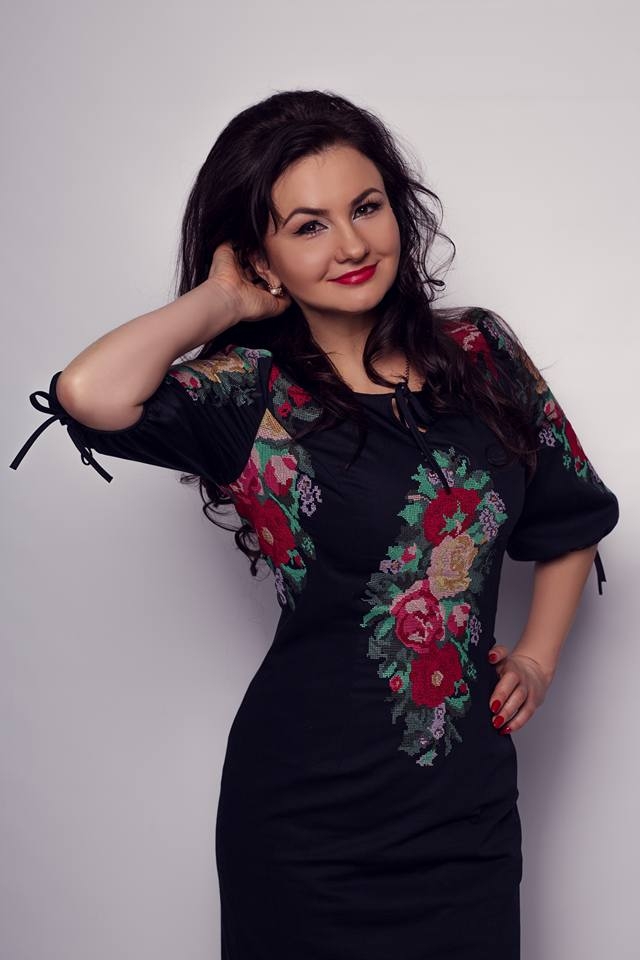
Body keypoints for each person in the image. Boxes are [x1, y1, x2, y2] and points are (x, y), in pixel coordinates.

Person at [9, 90, 620, 959]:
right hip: (304, 826)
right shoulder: (247, 393)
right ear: (263, 255)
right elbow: (88, 394)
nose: (352, 245)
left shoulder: (482, 356)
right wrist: (223, 299)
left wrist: (538, 657)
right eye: (308, 226)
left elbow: (571, 514)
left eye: (366, 207)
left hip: (467, 817)